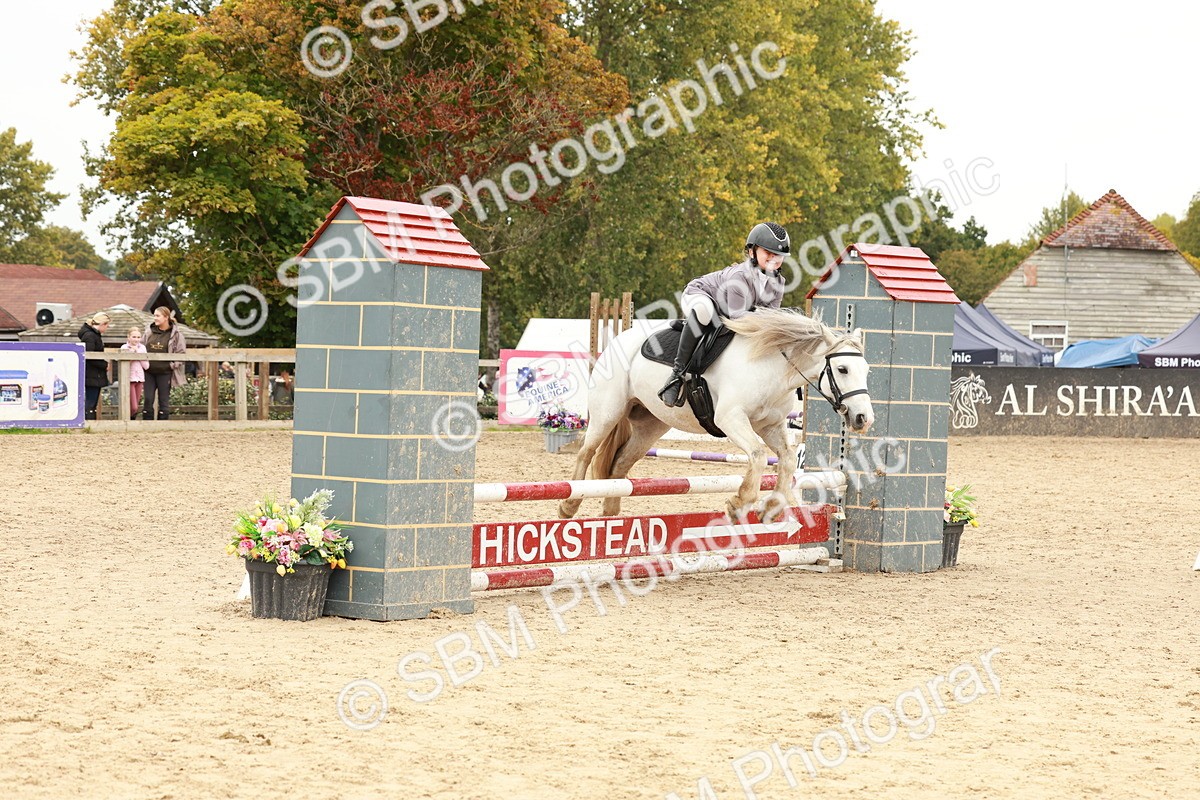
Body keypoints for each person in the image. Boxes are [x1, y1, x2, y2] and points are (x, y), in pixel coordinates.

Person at [657, 222, 791, 407]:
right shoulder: (739, 277)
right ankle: (676, 375)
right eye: (768, 253)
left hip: (729, 309)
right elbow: (737, 318)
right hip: (700, 294)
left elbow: (771, 317)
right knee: (705, 313)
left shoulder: (779, 282)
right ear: (752, 252)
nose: (774, 259)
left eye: (779, 256)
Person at [143, 307, 187, 420]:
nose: (155, 318)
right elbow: (141, 348)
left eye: (158, 316)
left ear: (166, 317)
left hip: (165, 372)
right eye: (154, 315)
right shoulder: (148, 332)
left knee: (164, 400)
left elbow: (181, 353)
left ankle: (163, 425)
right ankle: (146, 424)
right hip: (148, 371)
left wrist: (172, 365)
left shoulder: (177, 335)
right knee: (148, 399)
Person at [78, 312, 111, 420]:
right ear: (102, 324)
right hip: (92, 374)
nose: (107, 328)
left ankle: (89, 421)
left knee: (91, 401)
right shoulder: (90, 336)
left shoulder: (90, 335)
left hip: (92, 373)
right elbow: (90, 356)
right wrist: (104, 365)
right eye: (106, 325)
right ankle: (88, 422)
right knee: (91, 401)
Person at [120, 327, 150, 420]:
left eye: (138, 337)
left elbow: (146, 366)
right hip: (129, 379)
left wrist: (138, 353)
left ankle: (131, 420)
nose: (136, 339)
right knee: (133, 407)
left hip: (140, 378)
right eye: (134, 337)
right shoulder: (124, 347)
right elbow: (125, 364)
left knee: (136, 404)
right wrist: (133, 353)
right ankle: (128, 419)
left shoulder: (142, 348)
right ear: (128, 337)